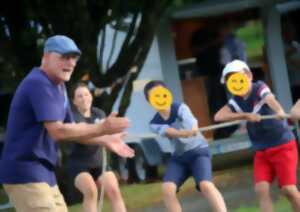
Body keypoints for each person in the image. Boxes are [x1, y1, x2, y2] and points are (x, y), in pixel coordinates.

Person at [0, 35, 134, 212]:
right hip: (25, 169)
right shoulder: (38, 83)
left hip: (45, 171)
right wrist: (102, 128)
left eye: (74, 58)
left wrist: (104, 139)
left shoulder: (60, 87)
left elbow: (75, 130)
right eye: (64, 57)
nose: (71, 63)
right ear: (46, 56)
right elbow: (58, 131)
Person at [214, 60, 300, 212]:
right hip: (261, 151)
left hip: (282, 146)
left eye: (236, 78)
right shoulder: (236, 101)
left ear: (248, 75)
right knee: (261, 190)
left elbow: (269, 99)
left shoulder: (259, 87)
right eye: (230, 81)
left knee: (288, 190)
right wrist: (245, 115)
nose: (235, 84)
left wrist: (279, 110)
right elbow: (219, 116)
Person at [144, 80, 227, 212]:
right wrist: (181, 134)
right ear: (150, 101)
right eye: (155, 96)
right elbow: (167, 131)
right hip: (179, 158)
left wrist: (193, 129)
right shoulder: (154, 123)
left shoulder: (180, 107)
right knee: (167, 189)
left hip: (199, 152)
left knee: (206, 185)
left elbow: (191, 121)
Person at [67, 82, 126, 212]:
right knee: (91, 191)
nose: (84, 98)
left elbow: (108, 134)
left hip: (99, 163)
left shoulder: (99, 113)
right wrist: (104, 140)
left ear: (91, 96)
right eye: (80, 96)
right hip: (79, 165)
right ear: (74, 101)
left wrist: (115, 138)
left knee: (114, 191)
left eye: (86, 94)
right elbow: (83, 138)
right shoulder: (72, 117)